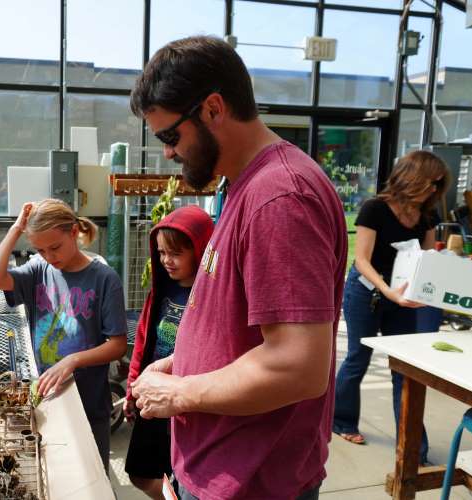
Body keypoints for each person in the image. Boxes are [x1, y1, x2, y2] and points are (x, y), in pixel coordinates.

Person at [128, 36, 348, 500]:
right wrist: (176, 365)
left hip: (252, 478)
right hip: (221, 464)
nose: (168, 152)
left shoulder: (280, 198)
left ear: (212, 109)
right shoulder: (243, 185)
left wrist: (180, 393)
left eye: (171, 136)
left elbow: (296, 367)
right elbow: (236, 331)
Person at [0, 198, 128, 472]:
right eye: (40, 249)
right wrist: (16, 229)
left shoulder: (104, 279)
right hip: (49, 398)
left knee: (91, 474)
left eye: (55, 247)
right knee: (58, 472)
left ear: (74, 232)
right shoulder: (40, 269)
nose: (50, 256)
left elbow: (118, 345)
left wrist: (72, 360)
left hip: (90, 404)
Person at [333, 150, 450, 463]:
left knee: (405, 370)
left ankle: (414, 449)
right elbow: (361, 260)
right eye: (431, 183)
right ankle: (341, 419)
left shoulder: (427, 215)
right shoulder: (375, 209)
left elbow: (424, 259)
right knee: (358, 358)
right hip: (367, 291)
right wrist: (388, 292)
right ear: (413, 178)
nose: (434, 191)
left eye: (439, 186)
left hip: (403, 296)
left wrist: (431, 282)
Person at [124, 206, 214, 499]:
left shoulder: (211, 299)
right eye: (161, 253)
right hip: (152, 396)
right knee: (140, 472)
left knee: (181, 473)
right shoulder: (161, 291)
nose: (166, 261)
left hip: (184, 406)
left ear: (199, 250)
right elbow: (142, 344)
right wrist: (132, 388)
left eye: (175, 253)